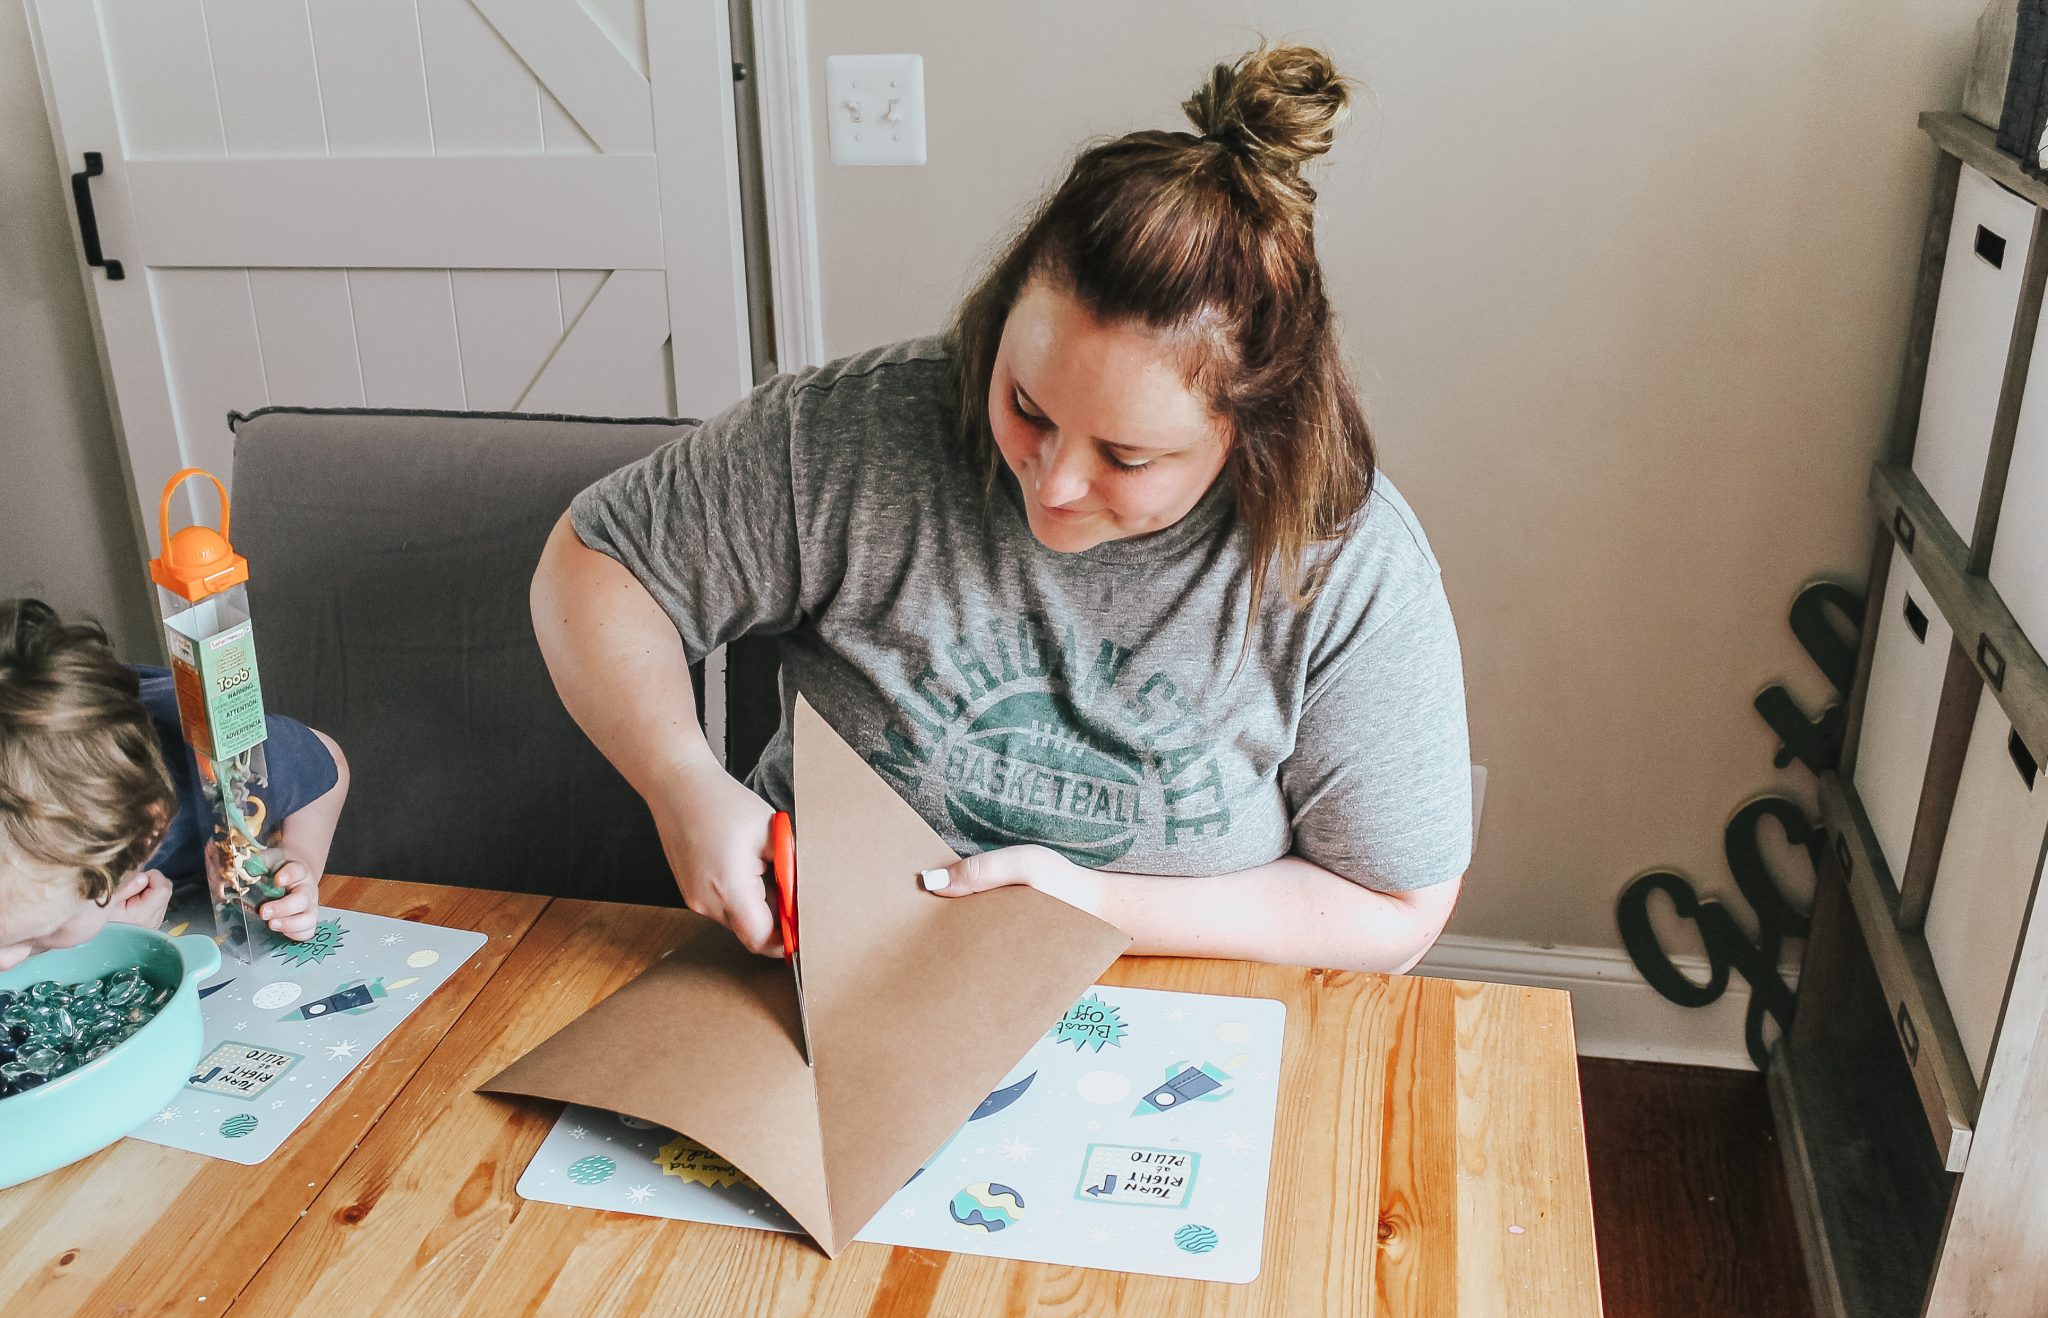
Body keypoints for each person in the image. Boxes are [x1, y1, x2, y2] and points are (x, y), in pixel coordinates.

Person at [532, 44, 1471, 973]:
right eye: (1026, 405)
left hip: (1168, 1009)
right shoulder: (850, 435)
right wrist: (684, 785)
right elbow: (595, 563)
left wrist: (1098, 904)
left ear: (1251, 433)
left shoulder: (1348, 566)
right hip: (819, 983)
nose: (1054, 485)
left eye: (1127, 456)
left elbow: (1395, 905)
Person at [0, 598, 350, 970]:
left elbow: (329, 762)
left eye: (32, 938)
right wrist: (97, 930)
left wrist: (301, 857)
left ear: (144, 839)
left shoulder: (218, 769)